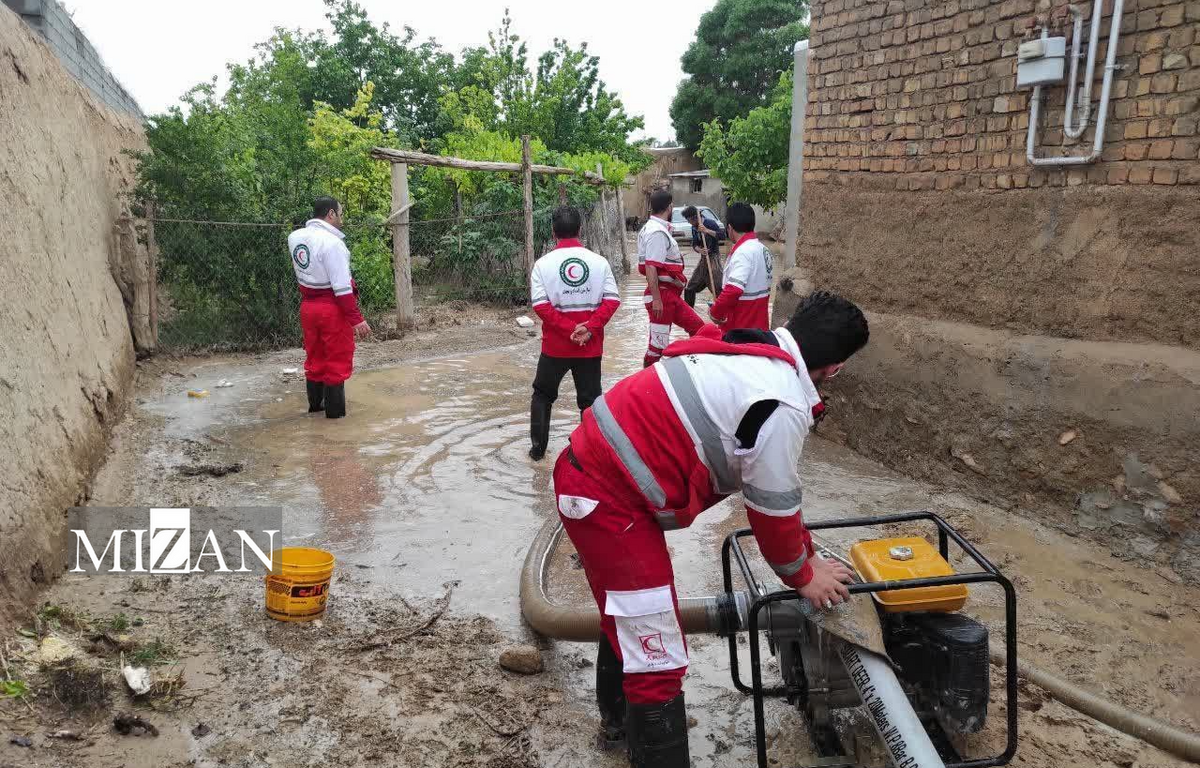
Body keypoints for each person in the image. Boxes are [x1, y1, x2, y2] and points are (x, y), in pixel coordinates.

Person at [552, 291, 869, 767]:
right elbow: (770, 508)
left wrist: (808, 555)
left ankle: (619, 729)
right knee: (657, 654)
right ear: (836, 367)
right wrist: (803, 576)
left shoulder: (744, 349)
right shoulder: (781, 402)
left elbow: (782, 493)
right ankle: (643, 743)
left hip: (596, 476)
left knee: (631, 618)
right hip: (608, 500)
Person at [528, 206, 621, 460]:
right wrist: (588, 328)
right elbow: (612, 300)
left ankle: (537, 452)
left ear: (552, 231)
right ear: (580, 229)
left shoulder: (542, 264)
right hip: (590, 346)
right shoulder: (599, 262)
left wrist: (569, 329)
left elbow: (540, 306)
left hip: (555, 347)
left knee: (543, 395)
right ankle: (590, 455)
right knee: (590, 402)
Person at [288, 196, 371, 419]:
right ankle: (336, 425)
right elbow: (342, 288)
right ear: (331, 214)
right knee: (336, 363)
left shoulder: (295, 237)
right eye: (340, 213)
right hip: (331, 309)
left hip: (307, 308)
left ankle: (315, 410)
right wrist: (357, 319)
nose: (342, 218)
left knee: (314, 359)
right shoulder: (333, 243)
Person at [637, 190, 704, 368]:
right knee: (657, 347)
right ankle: (647, 383)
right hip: (663, 297)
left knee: (699, 329)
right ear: (670, 207)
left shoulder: (653, 229)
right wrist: (657, 299)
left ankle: (691, 367)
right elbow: (651, 266)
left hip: (669, 297)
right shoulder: (657, 232)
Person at [709, 202, 773, 331]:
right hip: (760, 328)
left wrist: (715, 312)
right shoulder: (764, 250)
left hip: (741, 330)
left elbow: (734, 289)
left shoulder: (743, 252)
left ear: (730, 228)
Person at [681, 205, 724, 308]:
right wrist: (699, 250)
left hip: (714, 259)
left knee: (718, 289)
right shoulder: (694, 228)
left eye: (689, 220)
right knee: (689, 289)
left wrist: (706, 230)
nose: (688, 222)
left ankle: (723, 312)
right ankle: (689, 314)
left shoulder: (710, 223)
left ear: (695, 218)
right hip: (703, 261)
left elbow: (722, 236)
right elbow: (694, 245)